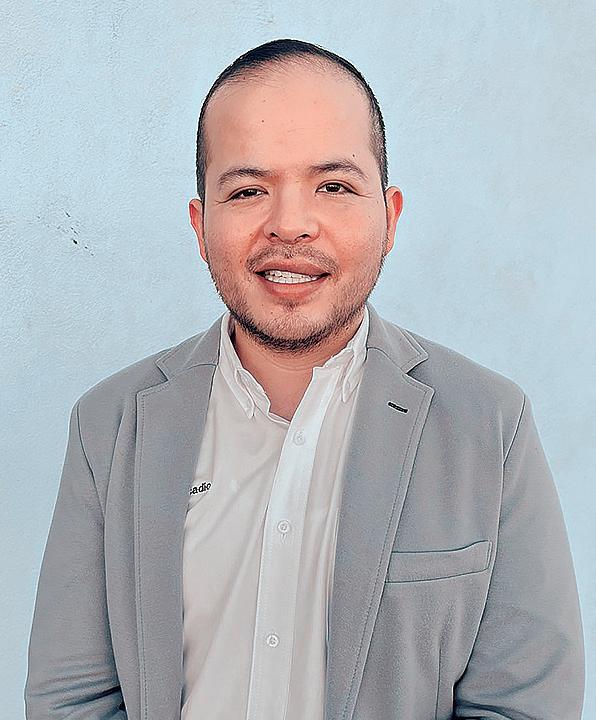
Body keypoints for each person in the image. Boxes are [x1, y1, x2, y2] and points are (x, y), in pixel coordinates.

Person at [24, 38, 585, 720]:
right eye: (248, 190)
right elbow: (72, 701)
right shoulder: (110, 426)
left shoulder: (490, 424)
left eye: (334, 186)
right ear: (201, 225)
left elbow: (524, 705)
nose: (290, 225)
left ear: (389, 217)